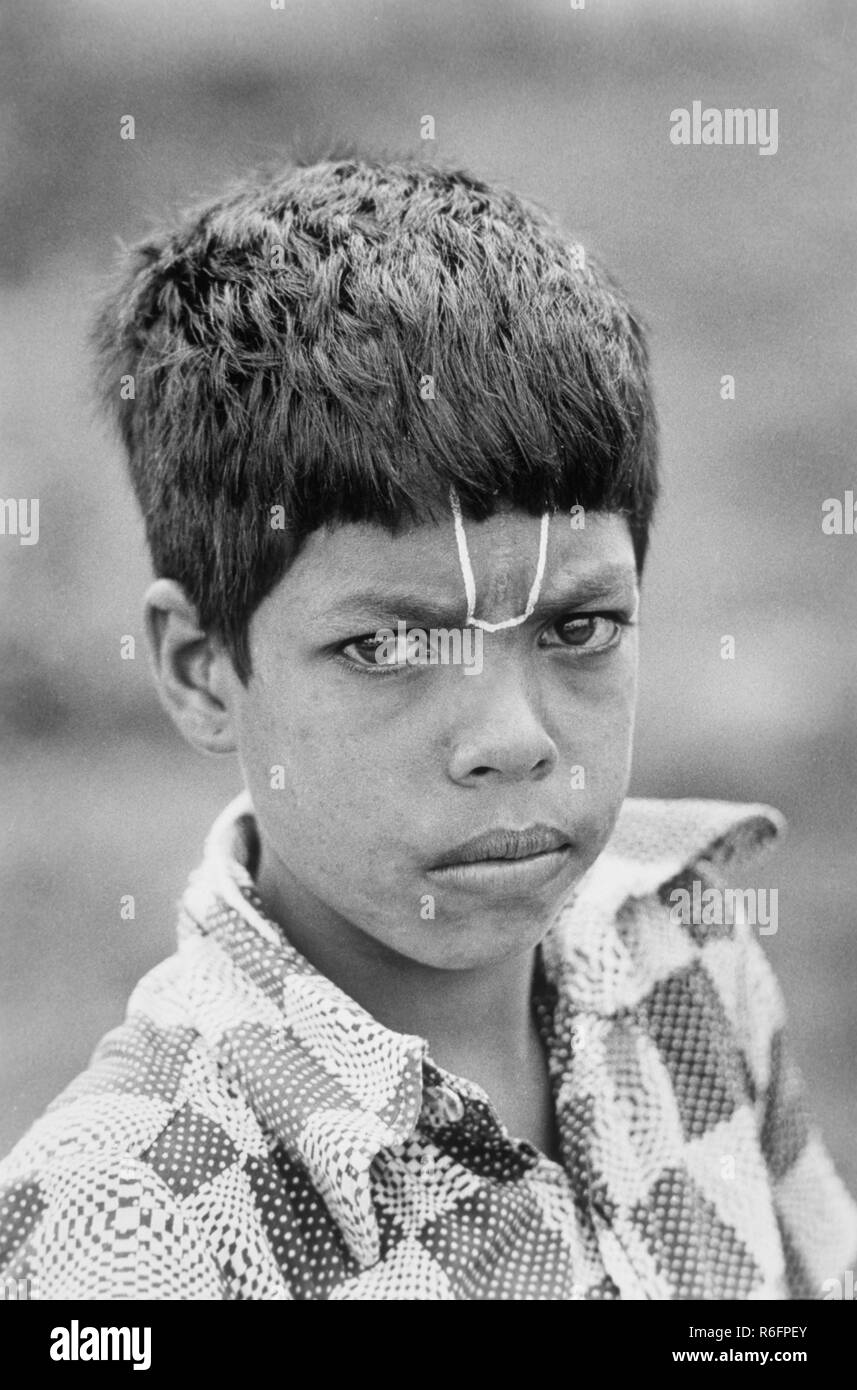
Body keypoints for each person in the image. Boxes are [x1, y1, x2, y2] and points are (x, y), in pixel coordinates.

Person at [0, 155, 854, 1300]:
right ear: (203, 672)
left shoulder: (684, 948)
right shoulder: (127, 1222)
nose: (511, 737)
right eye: (388, 646)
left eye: (579, 627)